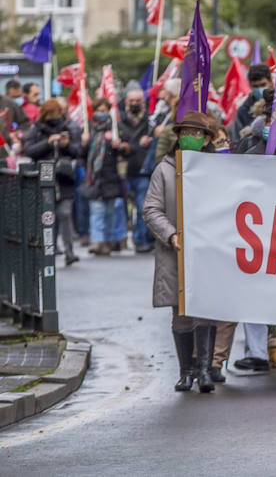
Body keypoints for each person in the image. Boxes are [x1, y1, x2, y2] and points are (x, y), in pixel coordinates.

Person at [143, 111, 221, 393]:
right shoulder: (164, 169)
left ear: (207, 139)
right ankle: (186, 371)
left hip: (209, 250)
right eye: (185, 133)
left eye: (196, 133)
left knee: (207, 309)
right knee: (181, 311)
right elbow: (151, 209)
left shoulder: (219, 169)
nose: (190, 138)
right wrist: (171, 234)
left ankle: (205, 370)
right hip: (175, 250)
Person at [23, 98, 84, 266]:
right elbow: (29, 150)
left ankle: (69, 252)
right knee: (45, 216)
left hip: (64, 178)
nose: (53, 117)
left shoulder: (69, 127)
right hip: (43, 177)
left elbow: (78, 151)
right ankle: (46, 249)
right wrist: (48, 142)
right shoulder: (36, 129)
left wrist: (65, 144)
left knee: (65, 214)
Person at [84, 98, 130, 256]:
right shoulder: (88, 129)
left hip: (112, 176)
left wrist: (121, 146)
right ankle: (97, 241)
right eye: (99, 110)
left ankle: (109, 240)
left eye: (105, 110)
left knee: (110, 210)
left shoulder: (117, 129)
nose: (102, 113)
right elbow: (79, 153)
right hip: (95, 176)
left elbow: (128, 149)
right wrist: (84, 143)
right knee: (96, 210)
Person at [120, 85, 156, 253]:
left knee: (143, 207)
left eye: (137, 101)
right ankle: (118, 239)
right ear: (126, 102)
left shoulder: (150, 122)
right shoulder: (118, 122)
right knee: (121, 207)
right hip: (123, 171)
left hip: (143, 171)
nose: (134, 103)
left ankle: (140, 240)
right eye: (131, 101)